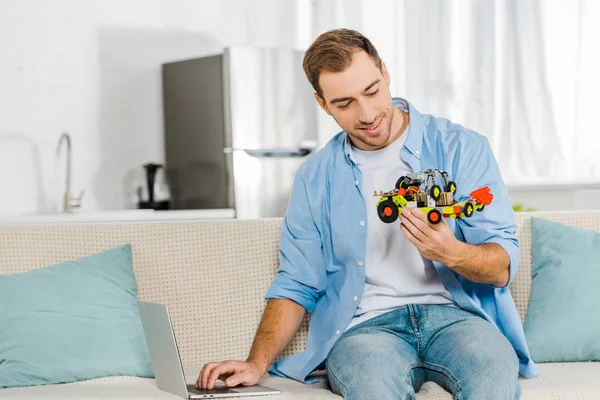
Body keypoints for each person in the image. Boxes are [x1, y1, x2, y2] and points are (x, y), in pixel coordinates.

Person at [197, 28, 538, 399]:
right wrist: (256, 362)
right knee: (373, 390)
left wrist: (450, 252)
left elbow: (502, 266)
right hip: (366, 330)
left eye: (372, 91)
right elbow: (297, 283)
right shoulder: (315, 177)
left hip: (459, 319)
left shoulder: (461, 148)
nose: (367, 114)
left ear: (385, 73)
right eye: (344, 103)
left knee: (492, 380)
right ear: (322, 104)